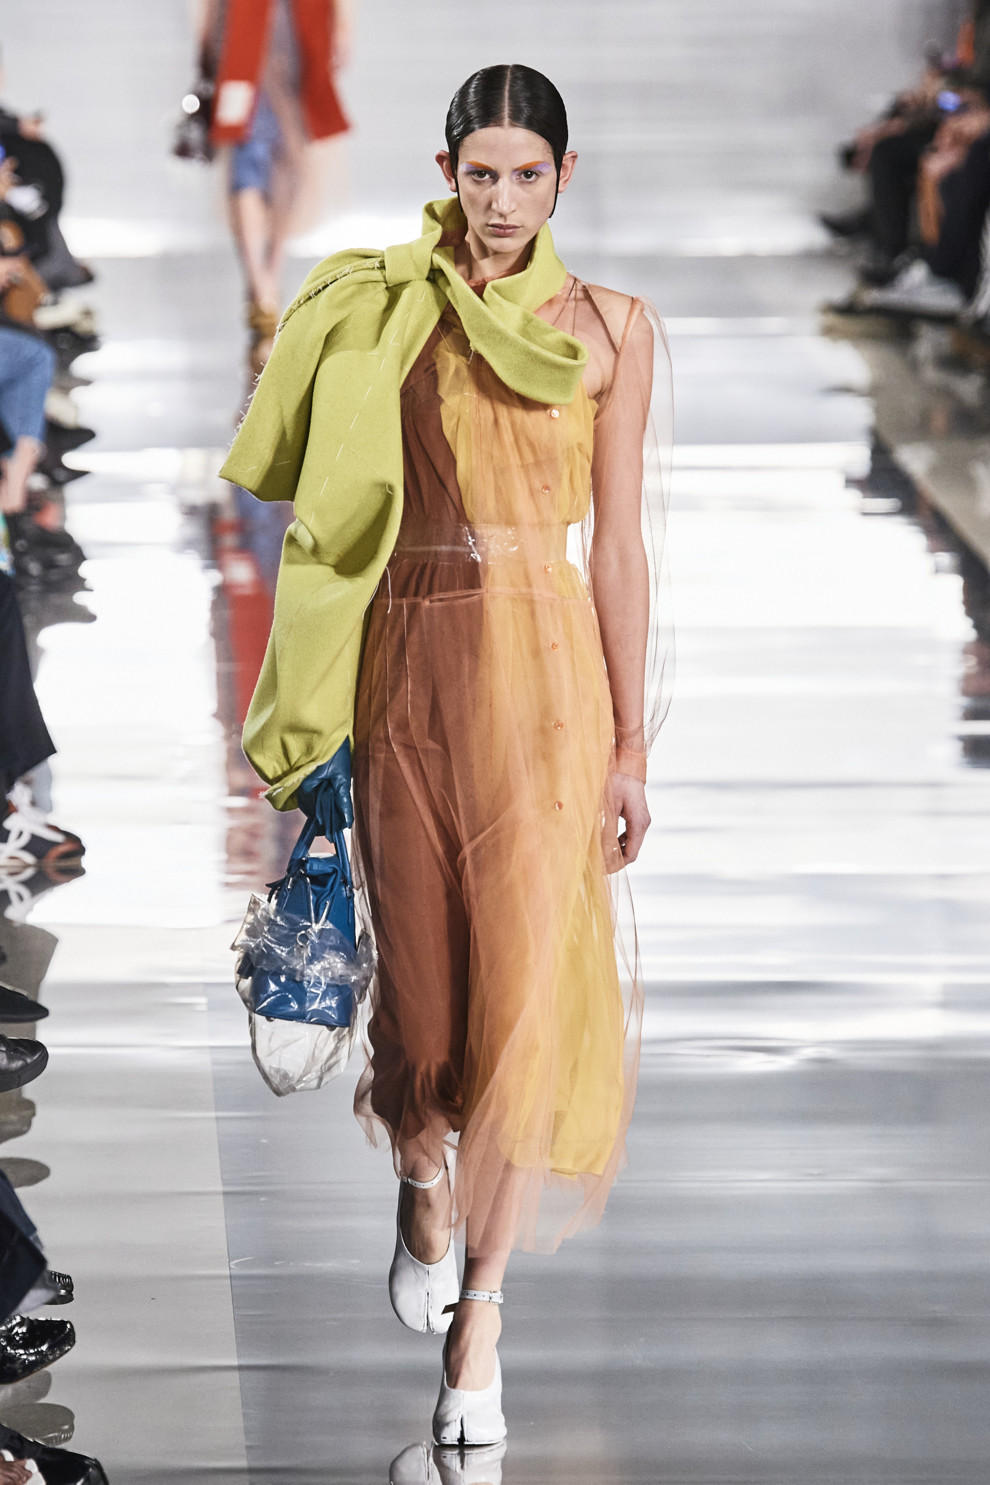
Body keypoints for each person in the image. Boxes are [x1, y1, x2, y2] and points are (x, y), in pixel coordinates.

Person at [221, 63, 672, 1445]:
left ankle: (482, 1314)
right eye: (481, 174)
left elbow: (618, 546)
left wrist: (626, 743)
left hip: (549, 684)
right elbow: (319, 505)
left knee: (526, 1000)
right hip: (408, 662)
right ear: (446, 173)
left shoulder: (611, 328)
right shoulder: (388, 309)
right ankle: (421, 1168)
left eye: (527, 175)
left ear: (564, 178)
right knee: (421, 1007)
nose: (502, 200)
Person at [198, 0, 350, 373]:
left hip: (282, 33)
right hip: (261, 33)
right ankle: (264, 282)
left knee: (276, 164)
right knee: (261, 159)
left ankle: (265, 282)